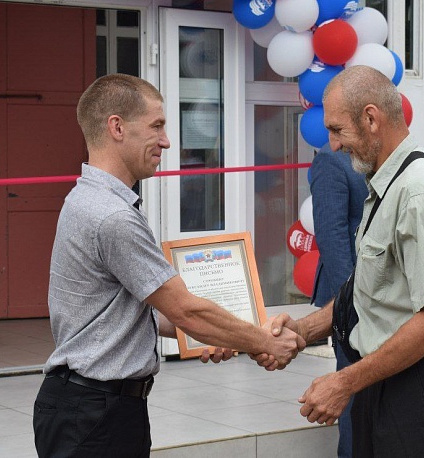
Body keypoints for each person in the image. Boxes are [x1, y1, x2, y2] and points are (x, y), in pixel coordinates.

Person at [32, 74, 305, 458]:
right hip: (95, 413)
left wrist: (217, 334)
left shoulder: (90, 198)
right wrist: (264, 341)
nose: (166, 141)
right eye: (156, 126)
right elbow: (184, 309)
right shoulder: (112, 215)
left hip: (94, 407)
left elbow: (125, 315)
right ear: (117, 128)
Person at [254, 65, 424, 457]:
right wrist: (304, 330)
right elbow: (369, 290)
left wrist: (344, 382)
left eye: (337, 129)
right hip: (385, 380)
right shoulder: (388, 184)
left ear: (371, 119)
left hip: (419, 390)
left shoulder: (419, 191)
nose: (333, 144)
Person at [309, 143, 367, 457]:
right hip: (352, 302)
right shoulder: (332, 161)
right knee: (353, 392)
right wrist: (350, 301)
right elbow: (331, 234)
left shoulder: (382, 157)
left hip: (386, 299)